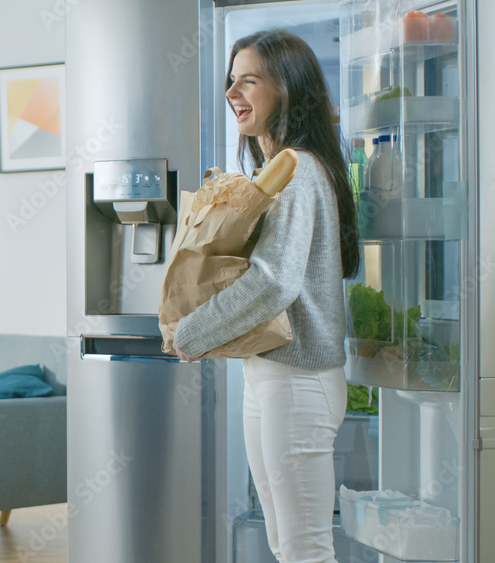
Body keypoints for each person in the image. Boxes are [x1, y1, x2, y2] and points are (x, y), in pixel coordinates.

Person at [169, 29, 359, 563]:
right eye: (232, 81)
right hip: (273, 377)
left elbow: (274, 280)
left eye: (248, 81)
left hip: (298, 383)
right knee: (286, 543)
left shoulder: (298, 173)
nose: (232, 93)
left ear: (288, 90)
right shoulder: (281, 171)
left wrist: (193, 331)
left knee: (304, 549)